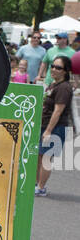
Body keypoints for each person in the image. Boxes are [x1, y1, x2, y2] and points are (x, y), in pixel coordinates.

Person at [35, 57, 73, 194]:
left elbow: (58, 111)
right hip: (45, 126)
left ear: (66, 71)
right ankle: (37, 184)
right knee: (40, 156)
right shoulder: (54, 84)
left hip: (55, 128)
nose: (54, 69)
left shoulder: (64, 88)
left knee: (46, 158)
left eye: (58, 67)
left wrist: (48, 131)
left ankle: (41, 188)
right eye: (52, 66)